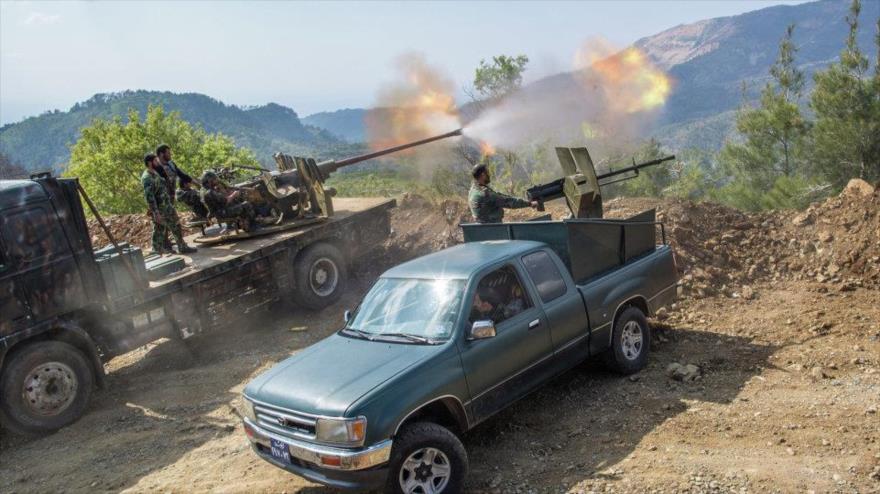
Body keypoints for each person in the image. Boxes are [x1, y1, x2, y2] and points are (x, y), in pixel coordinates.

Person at [142, 153, 197, 255]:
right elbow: (150, 197)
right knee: (159, 230)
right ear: (150, 163)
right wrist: (156, 213)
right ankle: (156, 251)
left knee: (176, 225)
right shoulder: (147, 178)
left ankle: (182, 247)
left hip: (167, 206)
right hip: (160, 209)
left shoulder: (155, 173)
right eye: (155, 161)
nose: (158, 162)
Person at [468, 164, 538, 223]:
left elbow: (498, 196)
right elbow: (509, 202)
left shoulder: (473, 189)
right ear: (483, 175)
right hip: (494, 228)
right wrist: (530, 203)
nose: (489, 174)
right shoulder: (485, 193)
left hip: (482, 226)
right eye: (487, 172)